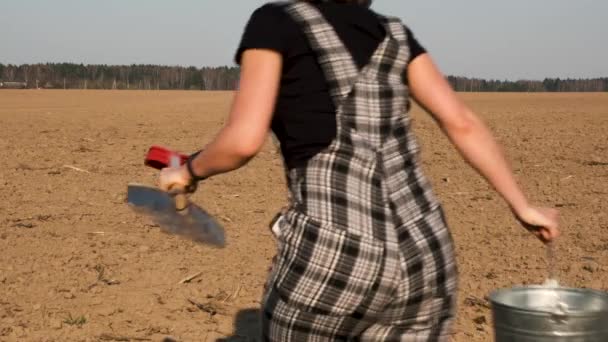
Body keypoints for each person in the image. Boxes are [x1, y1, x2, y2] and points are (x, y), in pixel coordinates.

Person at [158, 0, 560, 340]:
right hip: (426, 253)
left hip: (336, 252)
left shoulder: (275, 21)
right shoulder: (395, 35)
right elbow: (461, 122)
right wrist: (522, 205)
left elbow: (242, 141)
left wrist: (189, 170)